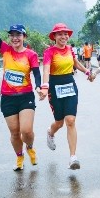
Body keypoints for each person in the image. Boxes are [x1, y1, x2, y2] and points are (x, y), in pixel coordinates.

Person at [0, 5, 41, 171]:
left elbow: (37, 73)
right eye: (12, 35)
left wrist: (39, 87)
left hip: (26, 96)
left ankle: (30, 147)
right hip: (8, 98)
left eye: (18, 35)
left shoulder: (30, 55)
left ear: (24, 36)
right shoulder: (5, 50)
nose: (15, 38)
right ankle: (19, 157)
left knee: (26, 131)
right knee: (14, 132)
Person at [38, 23, 92, 170]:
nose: (63, 36)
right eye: (60, 34)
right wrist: (44, 86)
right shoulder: (49, 52)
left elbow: (75, 63)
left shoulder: (69, 49)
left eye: (65, 34)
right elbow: (46, 69)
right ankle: (50, 132)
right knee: (59, 122)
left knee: (70, 120)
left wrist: (87, 72)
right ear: (54, 36)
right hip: (55, 87)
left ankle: (73, 157)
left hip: (69, 83)